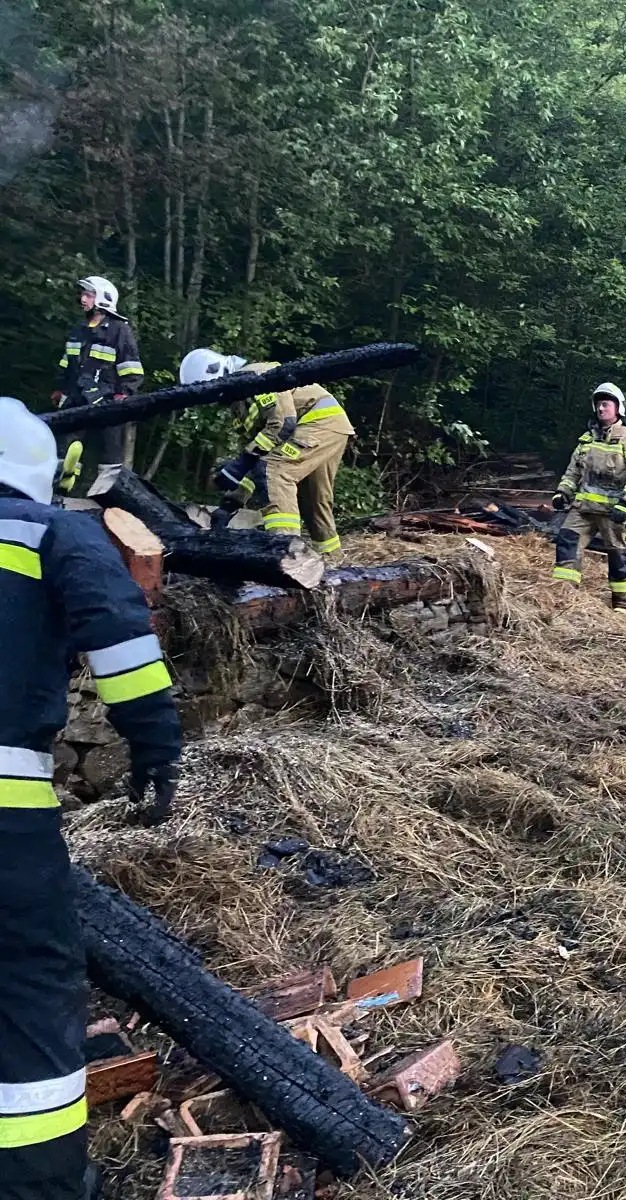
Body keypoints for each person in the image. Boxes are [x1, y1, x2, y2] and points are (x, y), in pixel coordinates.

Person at [0, 397, 181, 1200]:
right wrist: (155, 745)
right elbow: (121, 640)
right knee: (30, 987)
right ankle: (39, 1183)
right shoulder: (50, 532)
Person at [179, 350, 352, 555]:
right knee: (313, 498)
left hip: (318, 422)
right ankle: (333, 560)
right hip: (330, 427)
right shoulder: (239, 401)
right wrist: (230, 504)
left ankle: (286, 552)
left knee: (275, 471)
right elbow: (255, 457)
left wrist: (242, 463)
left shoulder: (255, 377)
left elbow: (284, 424)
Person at [550, 383, 626, 613]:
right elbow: (573, 471)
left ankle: (621, 603)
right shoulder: (586, 439)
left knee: (618, 556)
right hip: (583, 508)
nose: (601, 409)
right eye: (598, 404)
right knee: (567, 543)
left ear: (618, 408)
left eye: (606, 404)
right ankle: (564, 594)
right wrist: (562, 492)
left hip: (614, 512)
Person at [53, 276, 144, 468]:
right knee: (65, 452)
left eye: (88, 295)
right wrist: (60, 389)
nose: (82, 300)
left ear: (103, 299)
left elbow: (132, 369)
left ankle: (112, 493)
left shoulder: (119, 331)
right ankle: (59, 490)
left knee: (110, 455)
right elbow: (66, 363)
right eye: (82, 295)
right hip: (75, 399)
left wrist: (123, 394)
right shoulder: (79, 329)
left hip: (107, 400)